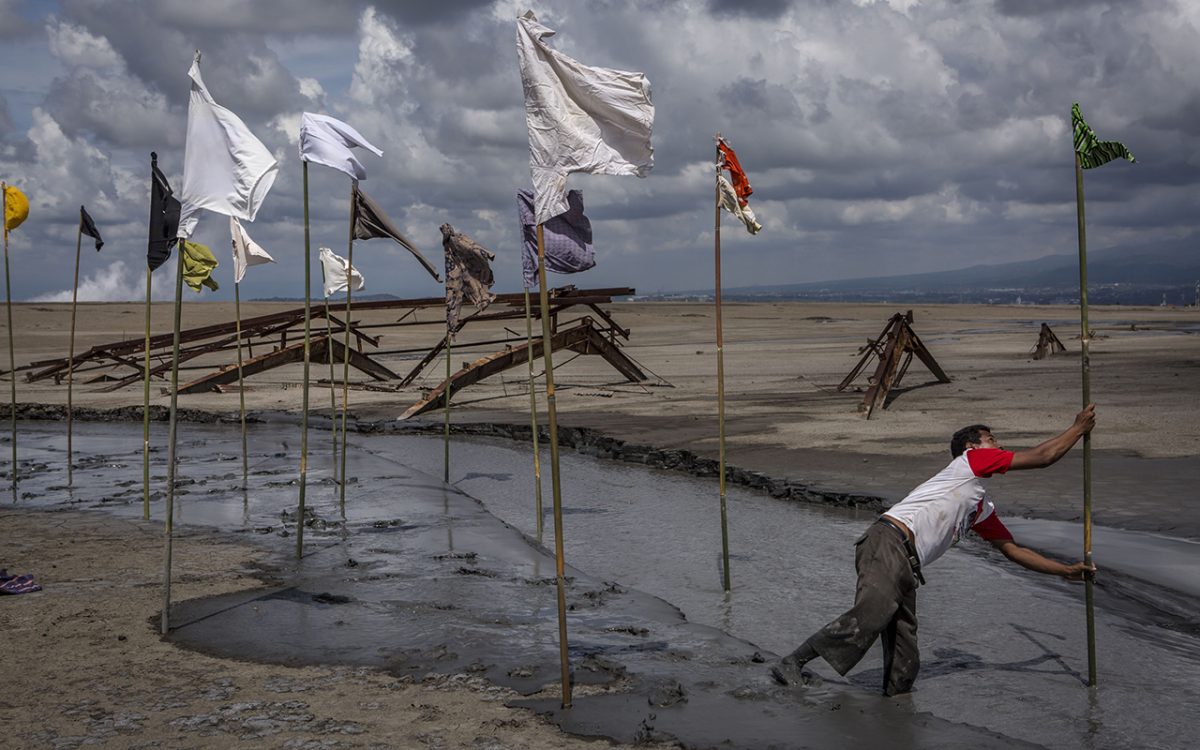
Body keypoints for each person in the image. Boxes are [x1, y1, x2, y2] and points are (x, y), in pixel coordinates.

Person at [771, 404, 1098, 696]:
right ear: (973, 447)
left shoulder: (980, 506)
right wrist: (1078, 428)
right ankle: (792, 662)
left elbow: (1012, 551)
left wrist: (1065, 571)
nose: (999, 445)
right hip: (888, 542)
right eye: (992, 440)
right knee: (872, 613)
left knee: (905, 655)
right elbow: (1044, 457)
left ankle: (895, 705)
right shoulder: (970, 462)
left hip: (907, 564)